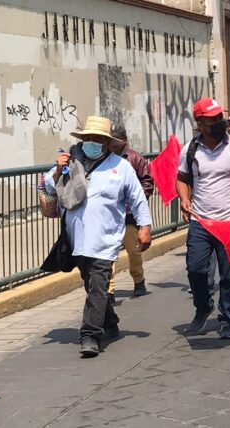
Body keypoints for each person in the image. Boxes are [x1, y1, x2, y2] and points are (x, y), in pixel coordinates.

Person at [44, 116, 152, 357]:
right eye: (88, 138)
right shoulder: (71, 162)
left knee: (99, 285)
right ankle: (110, 321)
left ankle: (90, 334)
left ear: (107, 142)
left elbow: (137, 197)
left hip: (106, 239)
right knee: (92, 285)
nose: (92, 143)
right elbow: (49, 188)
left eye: (98, 139)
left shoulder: (120, 167)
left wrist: (144, 226)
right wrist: (58, 170)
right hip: (77, 239)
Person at [176, 98, 230, 339]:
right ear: (201, 123)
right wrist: (184, 198)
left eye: (219, 118)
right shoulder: (190, 149)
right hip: (201, 222)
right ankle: (203, 308)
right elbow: (181, 178)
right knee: (195, 270)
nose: (218, 122)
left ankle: (227, 318)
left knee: (229, 275)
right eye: (212, 119)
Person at [107, 126, 155, 301]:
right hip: (110, 215)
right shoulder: (105, 158)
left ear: (123, 141)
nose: (112, 144)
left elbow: (147, 182)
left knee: (133, 251)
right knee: (109, 254)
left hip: (129, 216)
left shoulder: (135, 158)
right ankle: (109, 290)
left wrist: (134, 201)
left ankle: (139, 280)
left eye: (115, 141)